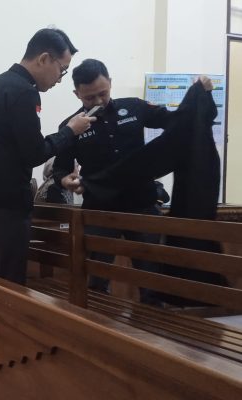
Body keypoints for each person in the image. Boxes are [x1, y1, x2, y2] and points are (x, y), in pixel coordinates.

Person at [52, 58, 213, 304]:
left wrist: (199, 94)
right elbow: (60, 167)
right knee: (94, 281)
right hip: (99, 210)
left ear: (110, 83)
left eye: (103, 93)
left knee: (152, 280)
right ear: (77, 94)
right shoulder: (71, 126)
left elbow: (177, 121)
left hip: (142, 206)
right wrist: (66, 180)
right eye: (90, 98)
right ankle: (95, 322)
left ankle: (154, 323)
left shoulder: (135, 107)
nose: (98, 101)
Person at [0, 28, 94, 284]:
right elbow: (35, 153)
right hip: (5, 201)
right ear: (44, 59)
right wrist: (70, 131)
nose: (59, 79)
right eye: (62, 70)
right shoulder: (24, 91)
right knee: (7, 282)